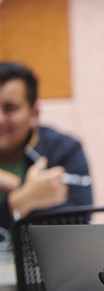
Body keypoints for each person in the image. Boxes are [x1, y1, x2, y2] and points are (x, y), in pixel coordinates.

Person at [0, 61, 93, 232]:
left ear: (34, 113)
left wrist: (18, 194)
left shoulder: (65, 150)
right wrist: (22, 200)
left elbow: (79, 223)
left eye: (10, 108)